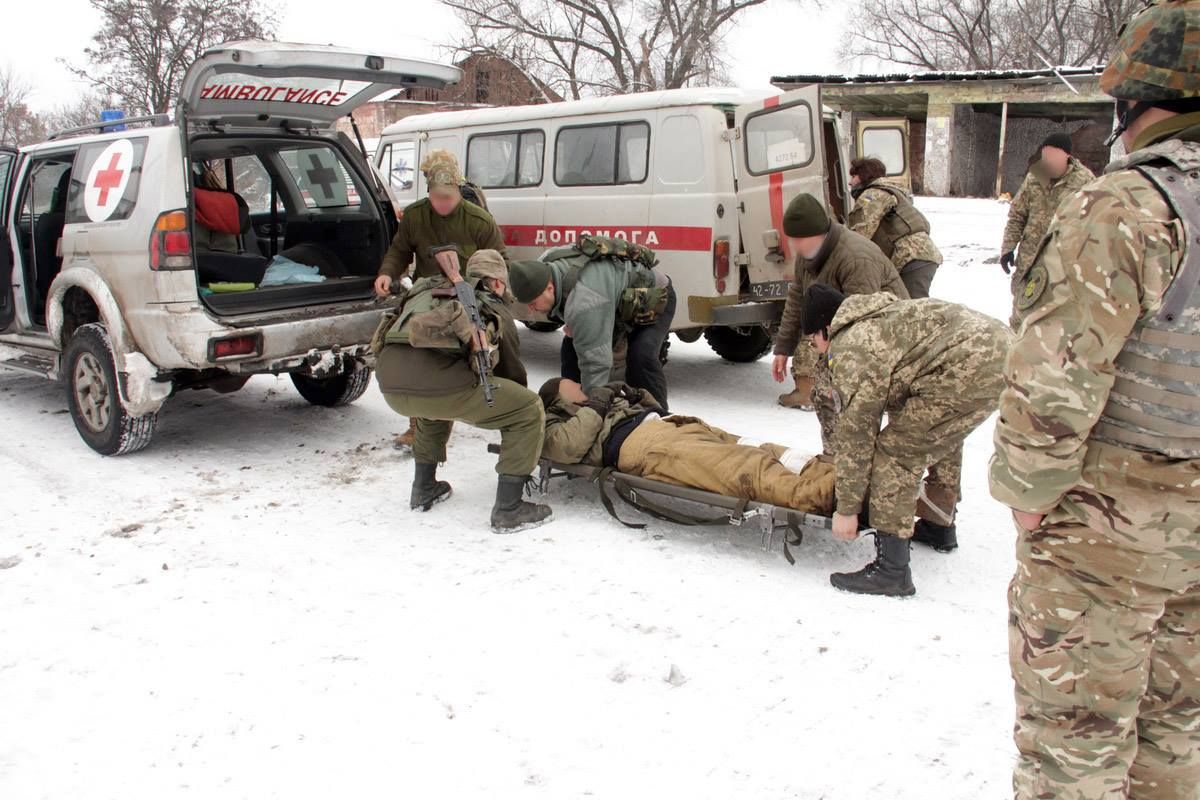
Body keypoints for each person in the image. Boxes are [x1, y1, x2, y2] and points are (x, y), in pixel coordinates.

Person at [990, 2, 1200, 795]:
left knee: (1076, 741)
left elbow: (1056, 377)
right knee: (1177, 727)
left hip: (1113, 522)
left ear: (1140, 100)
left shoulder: (1126, 203)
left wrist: (1028, 494)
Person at [803, 284, 1011, 596]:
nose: (815, 348)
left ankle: (892, 571)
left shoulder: (852, 347)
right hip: (1003, 350)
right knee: (933, 432)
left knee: (896, 453)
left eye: (812, 340)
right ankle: (939, 524)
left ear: (826, 328)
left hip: (973, 365)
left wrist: (847, 509)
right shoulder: (878, 315)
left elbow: (858, 435)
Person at [374, 249, 552, 532]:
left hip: (390, 386)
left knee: (434, 404)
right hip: (439, 387)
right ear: (496, 282)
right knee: (527, 409)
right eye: (503, 284)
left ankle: (424, 487)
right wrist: (513, 417)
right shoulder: (490, 304)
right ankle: (509, 509)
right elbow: (512, 376)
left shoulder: (427, 291)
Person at [373, 150, 508, 451]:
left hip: (467, 297)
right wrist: (386, 273)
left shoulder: (478, 220)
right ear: (429, 193)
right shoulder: (416, 216)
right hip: (426, 297)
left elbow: (500, 259)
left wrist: (495, 295)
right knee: (418, 357)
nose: (442, 203)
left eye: (448, 197)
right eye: (436, 197)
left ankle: (503, 412)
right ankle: (417, 428)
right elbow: (399, 250)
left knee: (477, 356)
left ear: (458, 191)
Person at [539, 378, 835, 514]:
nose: (581, 387)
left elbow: (651, 409)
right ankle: (819, 494)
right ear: (559, 398)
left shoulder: (592, 405)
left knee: (757, 447)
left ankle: (826, 470)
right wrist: (598, 403)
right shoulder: (554, 421)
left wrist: (639, 396)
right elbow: (568, 448)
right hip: (643, 445)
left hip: (671, 425)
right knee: (738, 464)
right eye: (573, 386)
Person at [771, 193, 909, 449]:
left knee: (867, 405)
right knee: (824, 393)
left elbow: (863, 318)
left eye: (799, 239)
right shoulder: (807, 254)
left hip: (887, 338)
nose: (795, 246)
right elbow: (797, 298)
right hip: (845, 333)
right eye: (793, 239)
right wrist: (783, 347)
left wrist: (839, 358)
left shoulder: (855, 258)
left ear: (819, 232)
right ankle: (834, 458)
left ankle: (858, 459)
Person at [509, 236, 677, 411]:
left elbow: (596, 364)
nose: (531, 310)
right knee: (570, 351)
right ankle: (574, 406)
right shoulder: (545, 265)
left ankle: (661, 416)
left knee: (641, 356)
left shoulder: (584, 302)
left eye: (533, 303)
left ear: (549, 288)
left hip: (654, 297)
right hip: (612, 298)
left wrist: (595, 410)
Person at [999, 131, 1094, 322]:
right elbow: (1017, 215)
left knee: (1055, 318)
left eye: (1053, 156)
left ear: (1067, 155)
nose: (1047, 161)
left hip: (1062, 263)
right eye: (1044, 155)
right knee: (1020, 313)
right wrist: (1008, 248)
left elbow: (1092, 225)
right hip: (1029, 261)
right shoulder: (1036, 175)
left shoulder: (1085, 181)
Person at [847, 157, 943, 298]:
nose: (850, 182)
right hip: (919, 257)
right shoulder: (892, 191)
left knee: (911, 310)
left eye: (854, 176)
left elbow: (859, 236)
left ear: (864, 175)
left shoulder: (873, 195)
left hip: (910, 259)